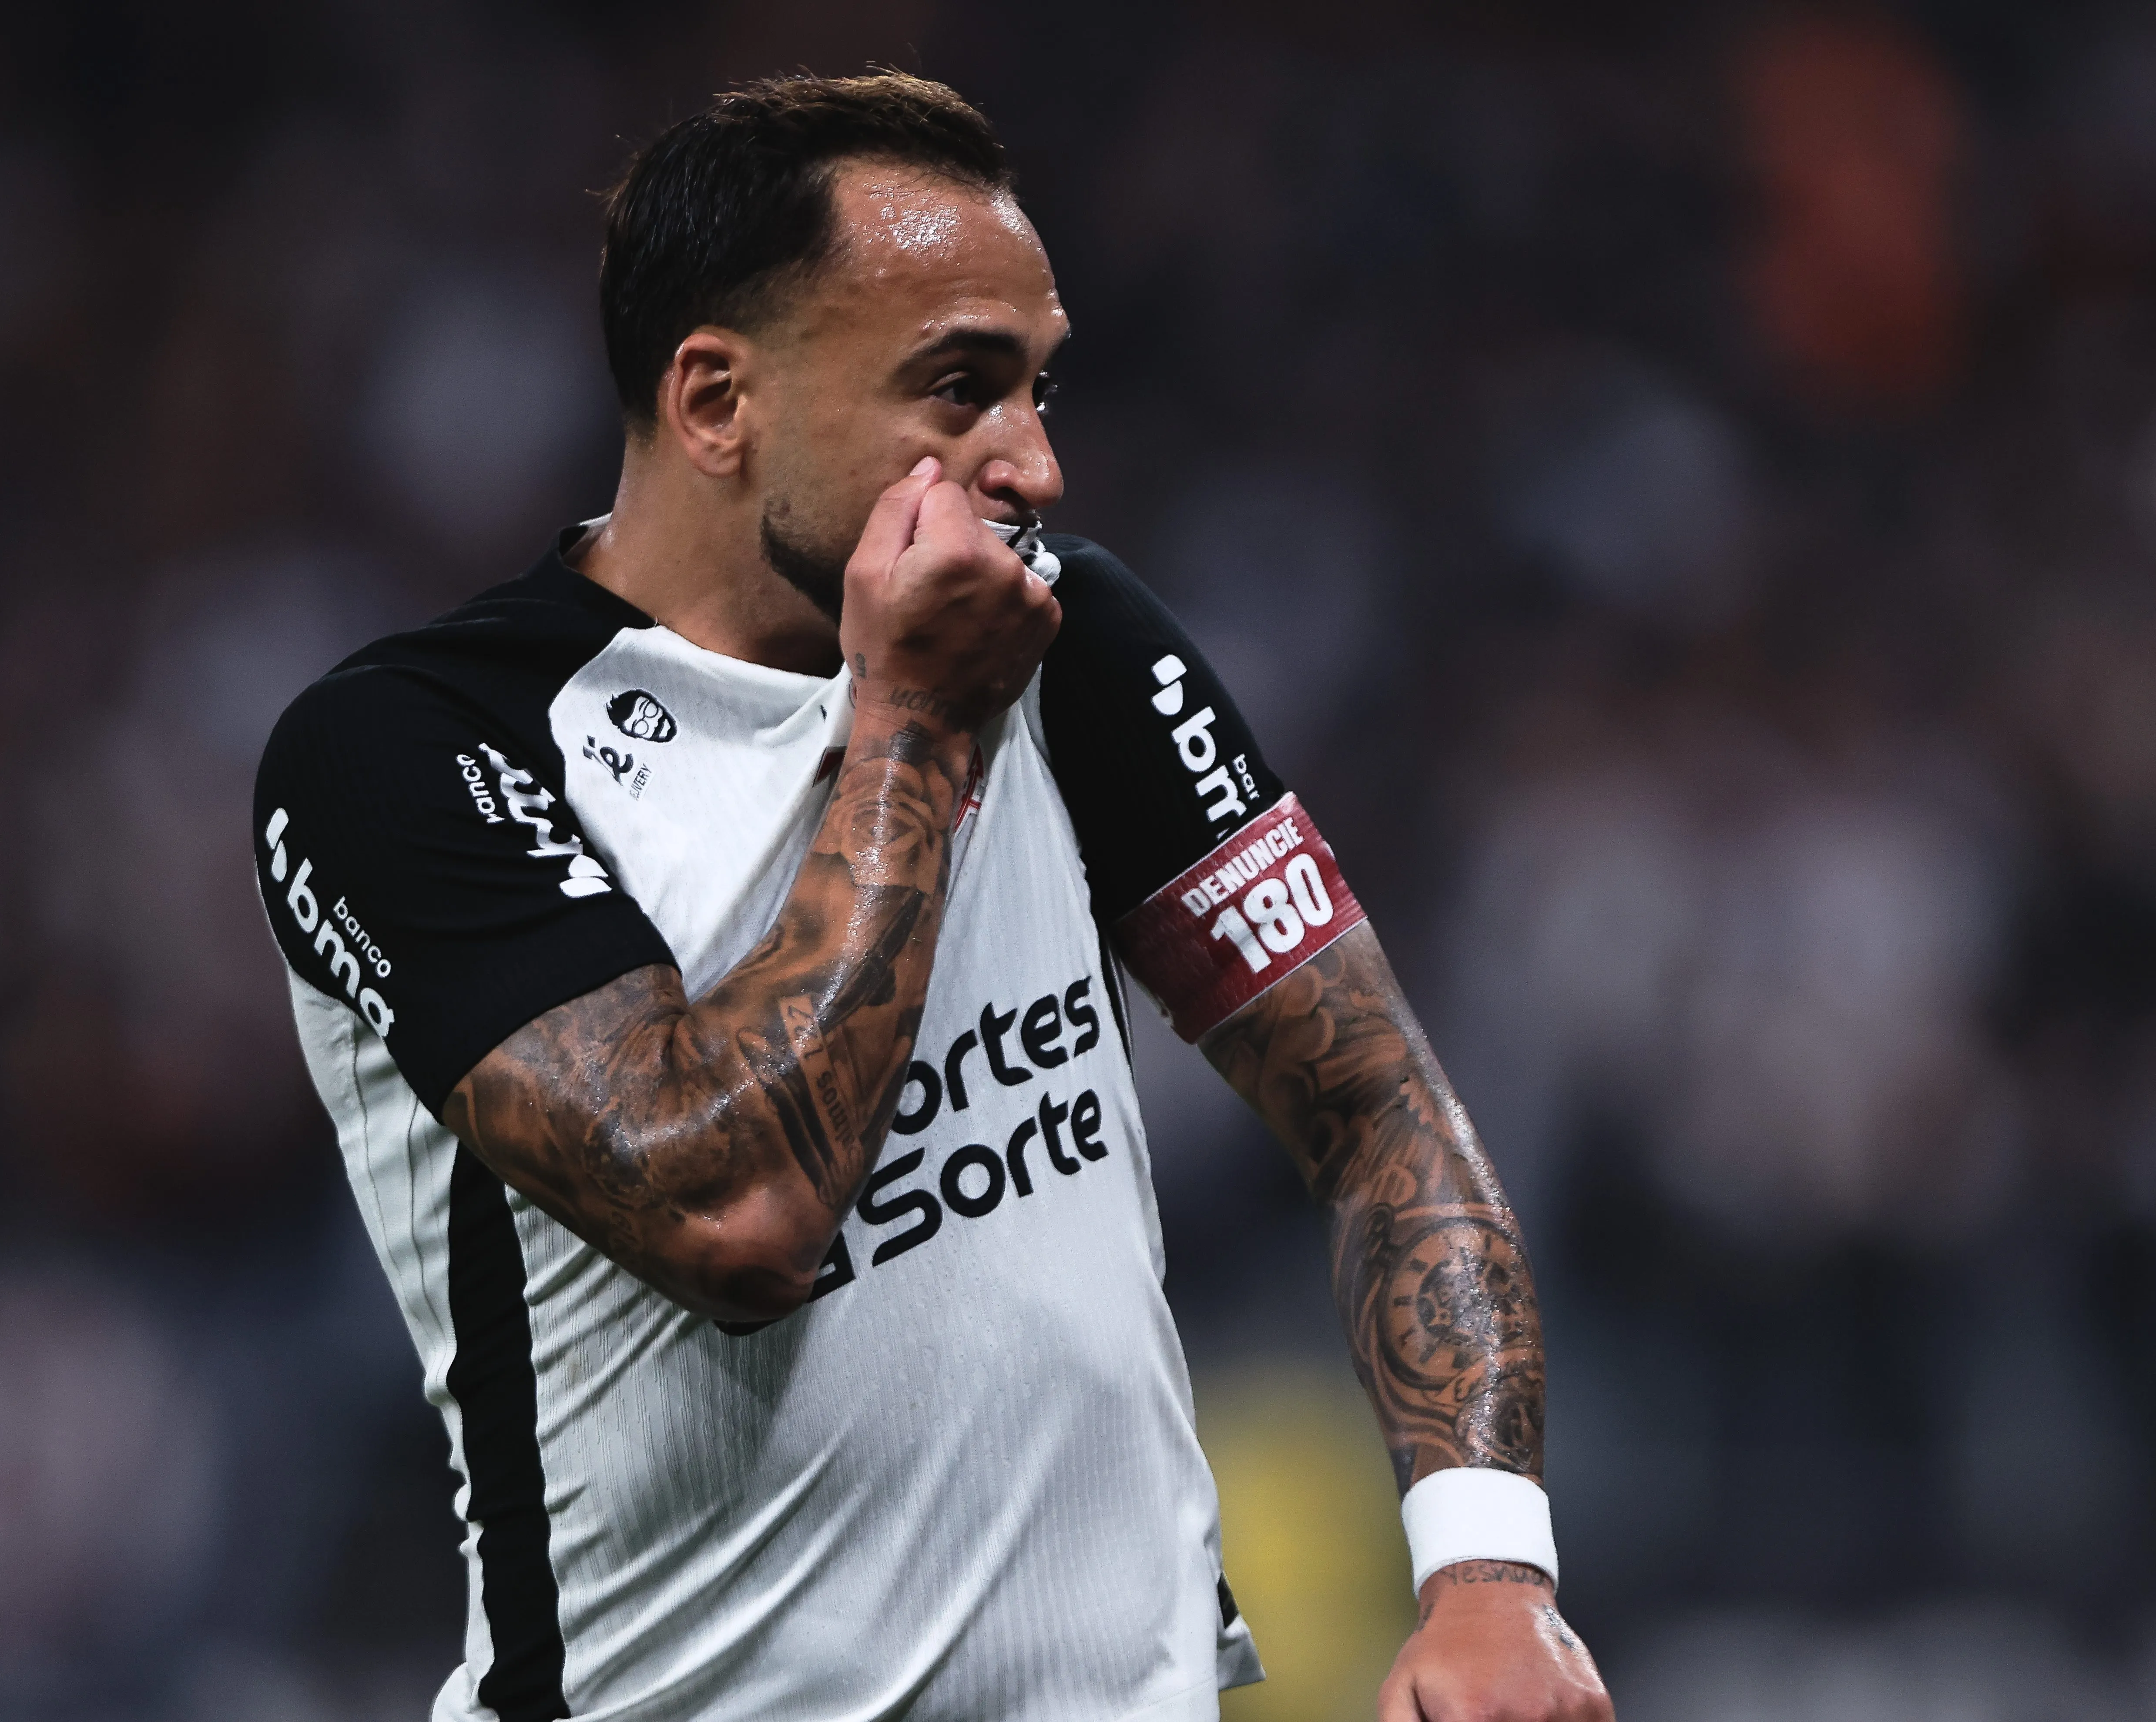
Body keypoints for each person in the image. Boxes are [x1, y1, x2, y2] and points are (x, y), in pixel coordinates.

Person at [253, 70, 1610, 1722]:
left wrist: (1487, 1571)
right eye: (957, 389)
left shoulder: (1072, 641)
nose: (1032, 463)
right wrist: (906, 726)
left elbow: (1377, 1111)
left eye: (1039, 388)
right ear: (712, 402)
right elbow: (733, 1214)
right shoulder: (410, 752)